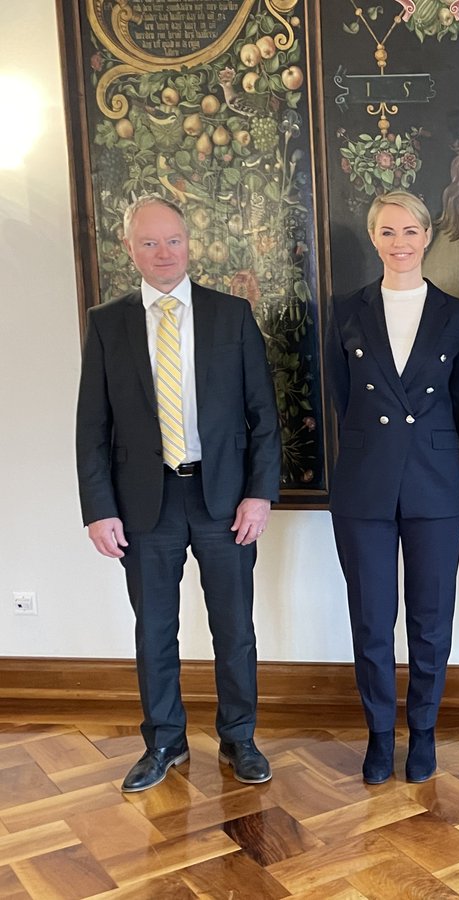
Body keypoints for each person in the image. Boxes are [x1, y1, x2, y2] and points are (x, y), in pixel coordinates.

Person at [76, 194, 280, 792]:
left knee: (234, 628)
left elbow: (262, 415)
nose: (163, 253)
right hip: (144, 505)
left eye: (172, 241)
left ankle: (239, 738)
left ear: (188, 243)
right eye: (149, 243)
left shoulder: (231, 315)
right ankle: (164, 741)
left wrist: (260, 494)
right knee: (154, 629)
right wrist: (99, 509)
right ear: (129, 249)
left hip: (224, 499)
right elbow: (93, 426)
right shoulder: (107, 323)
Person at [325, 191, 459, 784]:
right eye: (389, 231)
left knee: (431, 618)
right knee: (370, 617)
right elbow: (343, 397)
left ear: (428, 236)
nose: (401, 242)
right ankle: (379, 737)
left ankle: (425, 733)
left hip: (435, 485)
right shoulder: (346, 310)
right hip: (364, 484)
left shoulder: (458, 314)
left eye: (411, 230)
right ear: (375, 238)